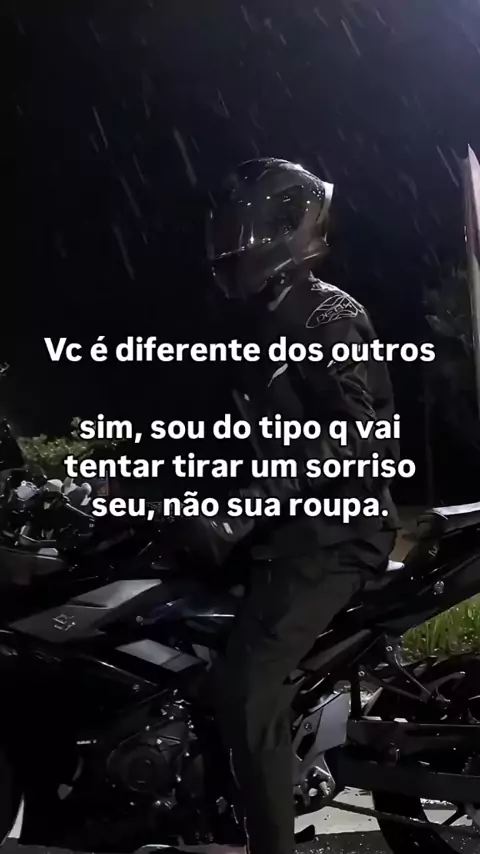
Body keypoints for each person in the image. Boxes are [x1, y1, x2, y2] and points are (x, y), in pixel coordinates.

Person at [194, 158, 401, 854]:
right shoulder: (259, 323)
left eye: (241, 233)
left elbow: (356, 436)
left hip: (337, 535)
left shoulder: (328, 315)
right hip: (286, 534)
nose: (229, 248)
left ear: (286, 229)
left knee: (247, 687)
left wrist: (244, 508)